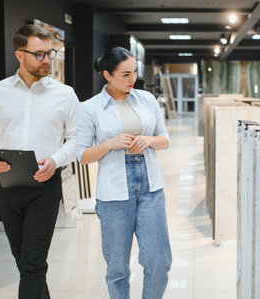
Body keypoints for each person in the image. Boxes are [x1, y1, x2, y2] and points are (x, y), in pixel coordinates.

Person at [0, 24, 79, 299]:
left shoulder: (65, 94)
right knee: (25, 264)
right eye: (39, 54)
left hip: (44, 186)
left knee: (32, 265)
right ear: (19, 54)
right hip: (6, 187)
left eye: (49, 53)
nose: (46, 60)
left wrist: (55, 160)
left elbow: (77, 139)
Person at [76, 47, 172, 299]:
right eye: (125, 74)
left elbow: (165, 139)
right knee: (117, 268)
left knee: (159, 262)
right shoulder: (90, 108)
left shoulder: (146, 99)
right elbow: (82, 155)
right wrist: (109, 143)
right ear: (107, 74)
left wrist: (149, 140)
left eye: (134, 73)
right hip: (114, 191)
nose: (132, 80)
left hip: (150, 185)